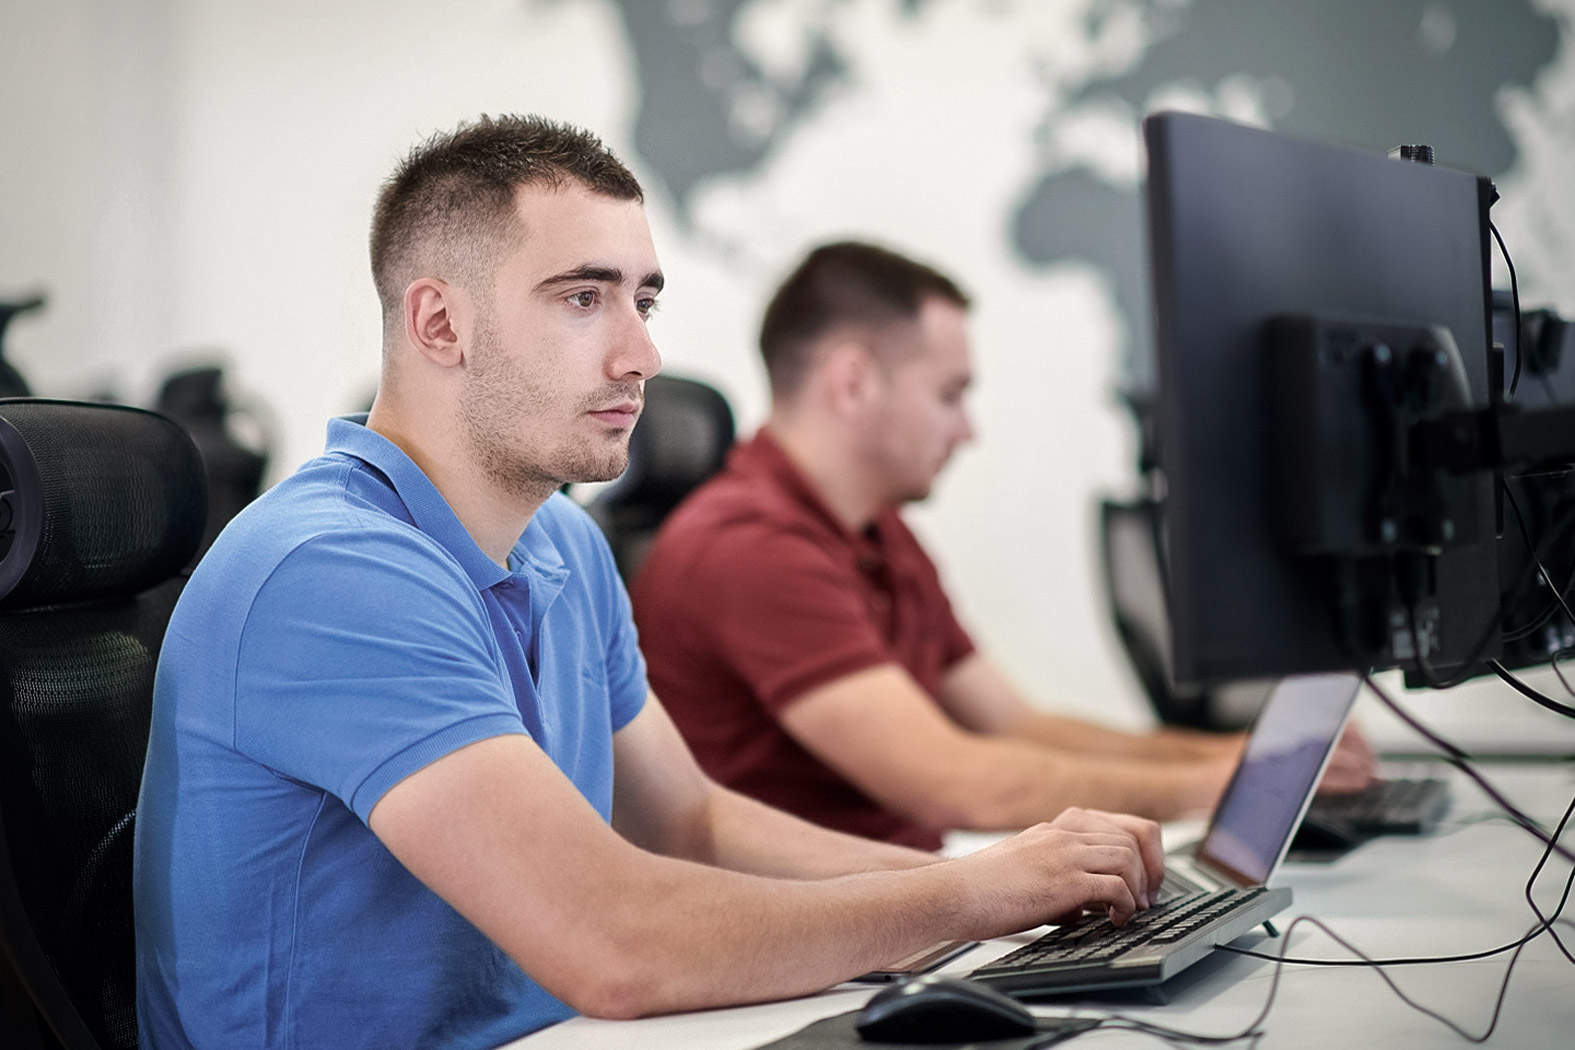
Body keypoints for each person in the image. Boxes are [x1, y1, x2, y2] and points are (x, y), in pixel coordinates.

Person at [132, 117, 1167, 1050]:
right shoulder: (329, 571)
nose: (642, 353)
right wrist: (974, 899)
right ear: (440, 326)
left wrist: (989, 893)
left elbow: (691, 825)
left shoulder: (563, 548)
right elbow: (615, 944)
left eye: (644, 298)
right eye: (583, 298)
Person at [631, 241, 1376, 852]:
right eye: (949, 394)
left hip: (897, 914)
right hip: (811, 956)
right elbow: (956, 782)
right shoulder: (749, 548)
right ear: (853, 382)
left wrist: (1234, 758)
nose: (967, 431)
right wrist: (1227, 784)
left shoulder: (875, 531)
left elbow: (1017, 727)